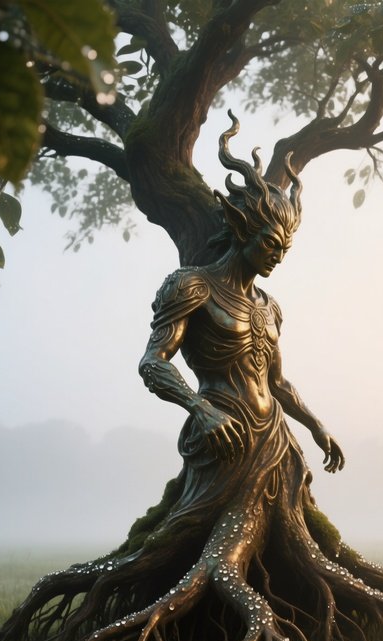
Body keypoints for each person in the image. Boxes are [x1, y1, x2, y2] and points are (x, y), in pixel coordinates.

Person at [138, 113, 344, 542]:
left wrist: (315, 425)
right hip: (222, 438)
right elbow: (152, 363)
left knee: (292, 542)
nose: (278, 257)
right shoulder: (193, 286)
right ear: (242, 229)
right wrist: (201, 409)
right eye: (271, 243)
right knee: (192, 543)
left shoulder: (270, 308)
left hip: (275, 442)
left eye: (284, 248)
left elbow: (278, 382)